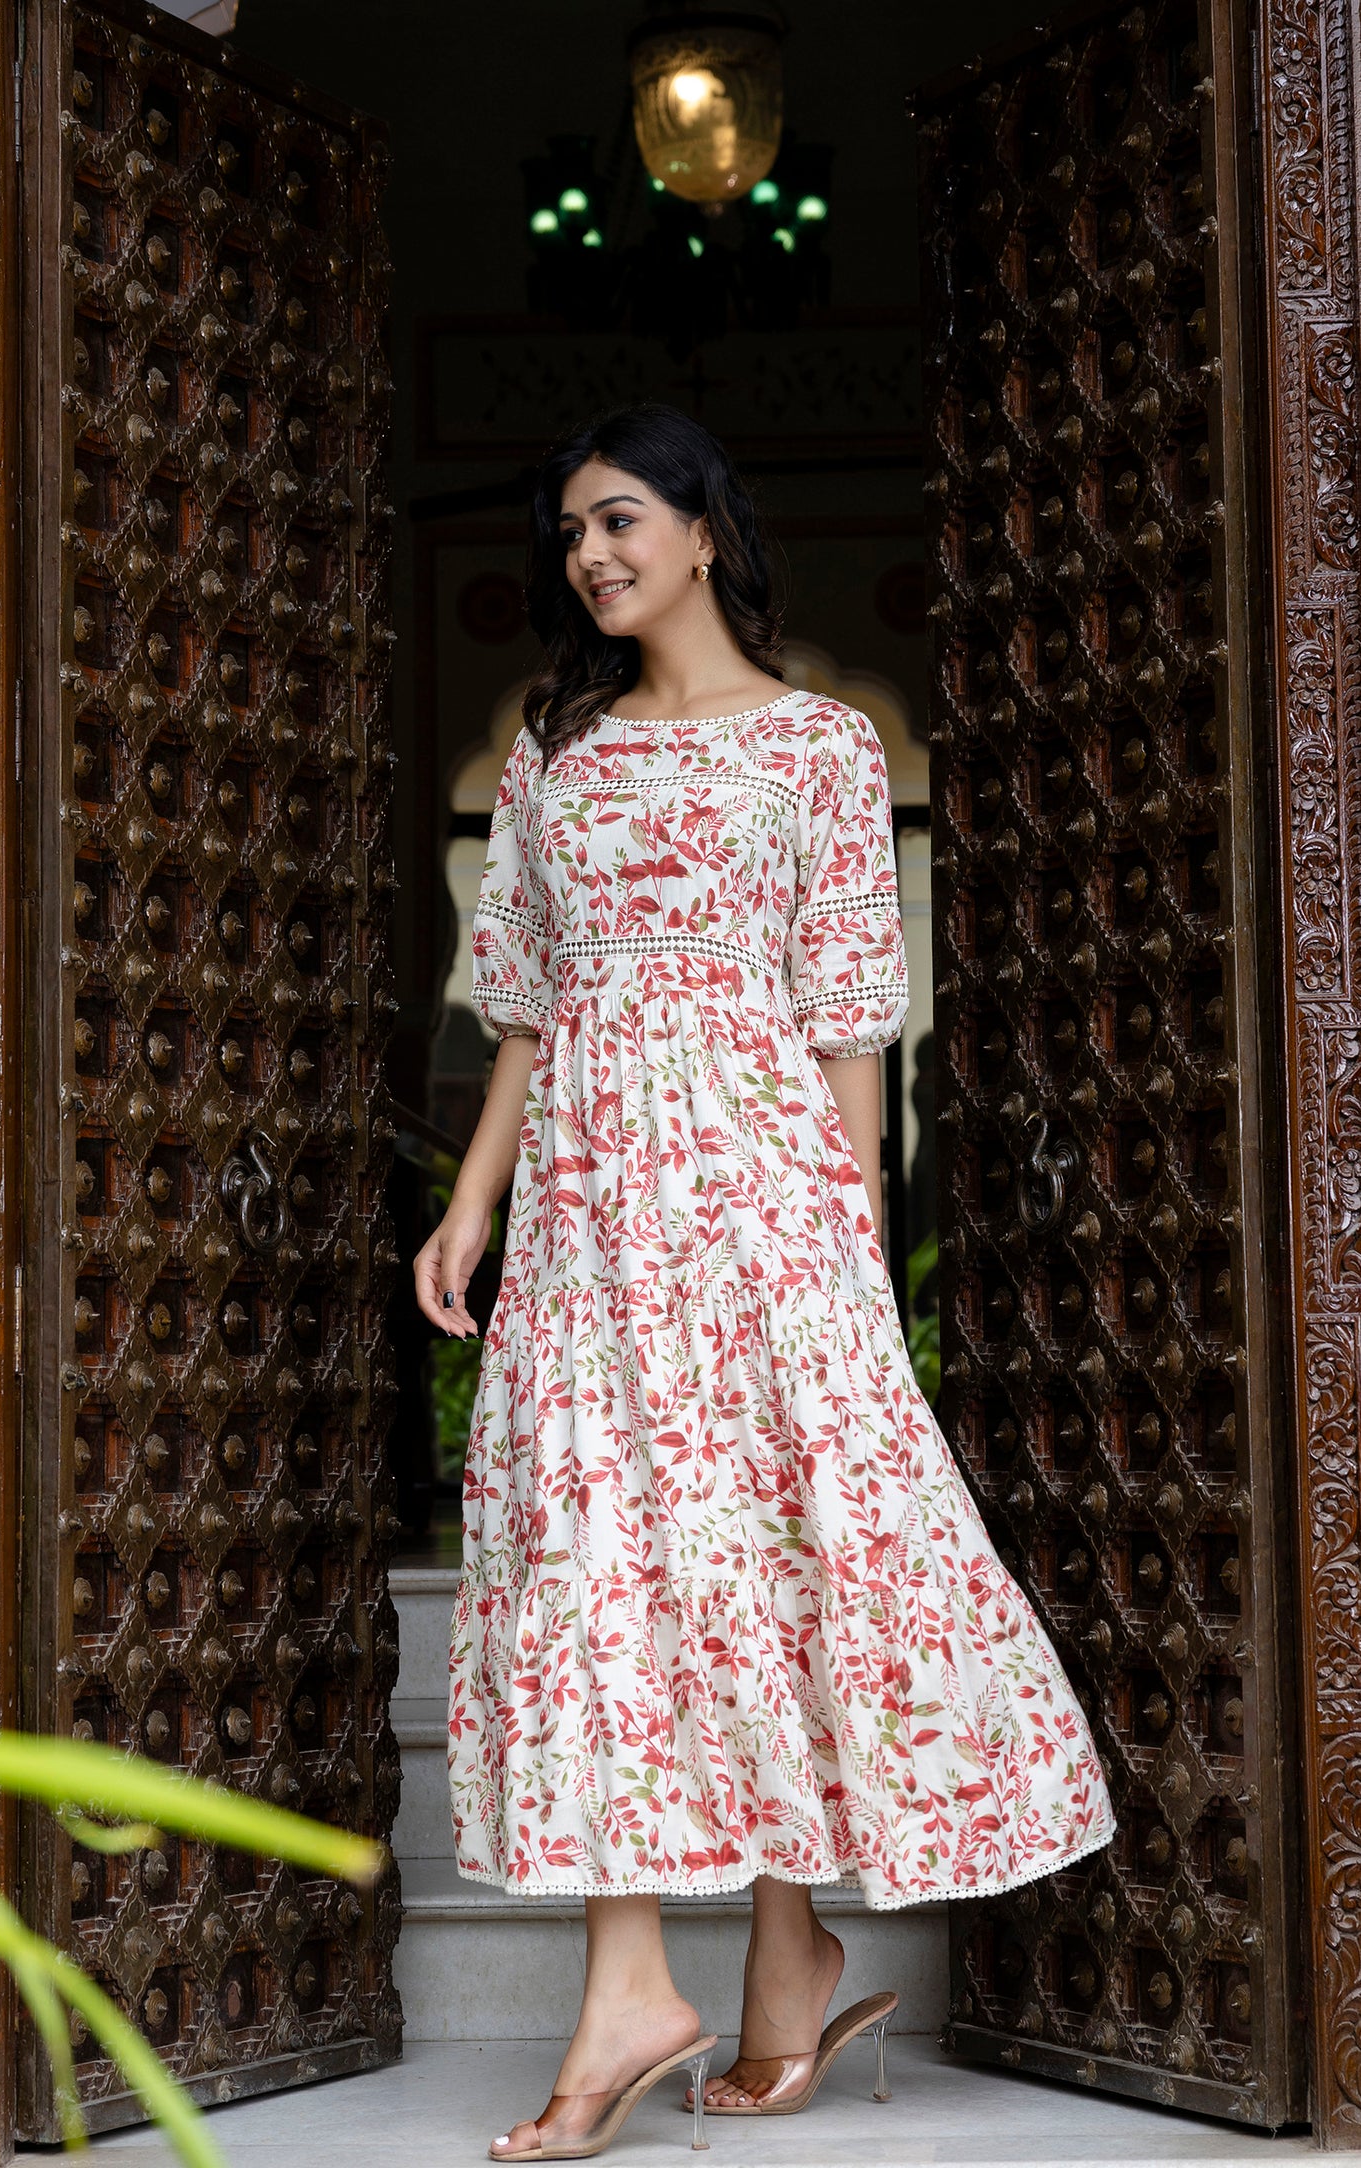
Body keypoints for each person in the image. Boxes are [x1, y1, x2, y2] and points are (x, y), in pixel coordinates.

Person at [413, 405, 1115, 2162]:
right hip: (586, 1209)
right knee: (601, 1553)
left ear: (707, 532)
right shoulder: (555, 759)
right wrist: (471, 1210)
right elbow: (521, 1012)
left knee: (779, 1540)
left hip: (762, 1202)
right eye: (571, 530)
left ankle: (764, 1950)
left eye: (622, 517)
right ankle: (690, 1970)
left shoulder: (813, 747)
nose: (592, 554)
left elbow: (852, 1025)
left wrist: (853, 1254)